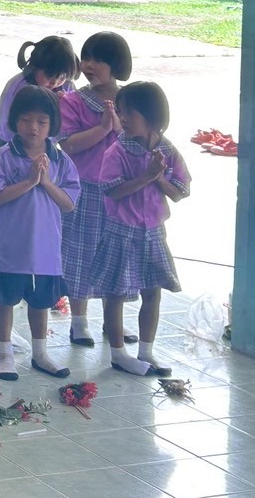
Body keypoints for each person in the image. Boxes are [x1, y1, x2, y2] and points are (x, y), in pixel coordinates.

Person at [92, 81, 190, 378]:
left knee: (152, 291)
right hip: (121, 231)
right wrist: (147, 176)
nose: (122, 119)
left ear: (152, 116)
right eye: (121, 113)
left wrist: (157, 177)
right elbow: (113, 191)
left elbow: (179, 192)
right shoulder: (118, 150)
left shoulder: (168, 150)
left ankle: (146, 351)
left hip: (154, 232)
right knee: (116, 293)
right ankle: (118, 354)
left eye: (128, 113)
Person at [0, 85, 80, 381]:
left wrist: (46, 182)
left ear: (52, 124)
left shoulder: (60, 160)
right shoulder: (4, 156)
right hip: (10, 247)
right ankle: (4, 354)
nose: (33, 127)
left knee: (41, 303)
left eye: (42, 121)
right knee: (5, 300)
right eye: (26, 120)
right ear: (15, 120)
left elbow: (68, 204)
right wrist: (28, 181)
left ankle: (40, 353)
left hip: (45, 249)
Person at [59, 31, 133, 347]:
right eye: (86, 58)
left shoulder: (131, 100)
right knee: (81, 253)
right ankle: (79, 321)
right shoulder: (73, 101)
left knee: (115, 255)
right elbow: (68, 144)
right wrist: (103, 128)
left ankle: (112, 321)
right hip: (85, 188)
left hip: (122, 191)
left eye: (99, 60)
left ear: (117, 64)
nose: (89, 65)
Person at [0, 35, 78, 150]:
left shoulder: (67, 85)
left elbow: (73, 117)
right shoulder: (18, 87)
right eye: (49, 76)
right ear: (34, 67)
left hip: (44, 146)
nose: (55, 82)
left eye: (62, 76)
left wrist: (64, 106)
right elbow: (7, 122)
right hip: (8, 143)